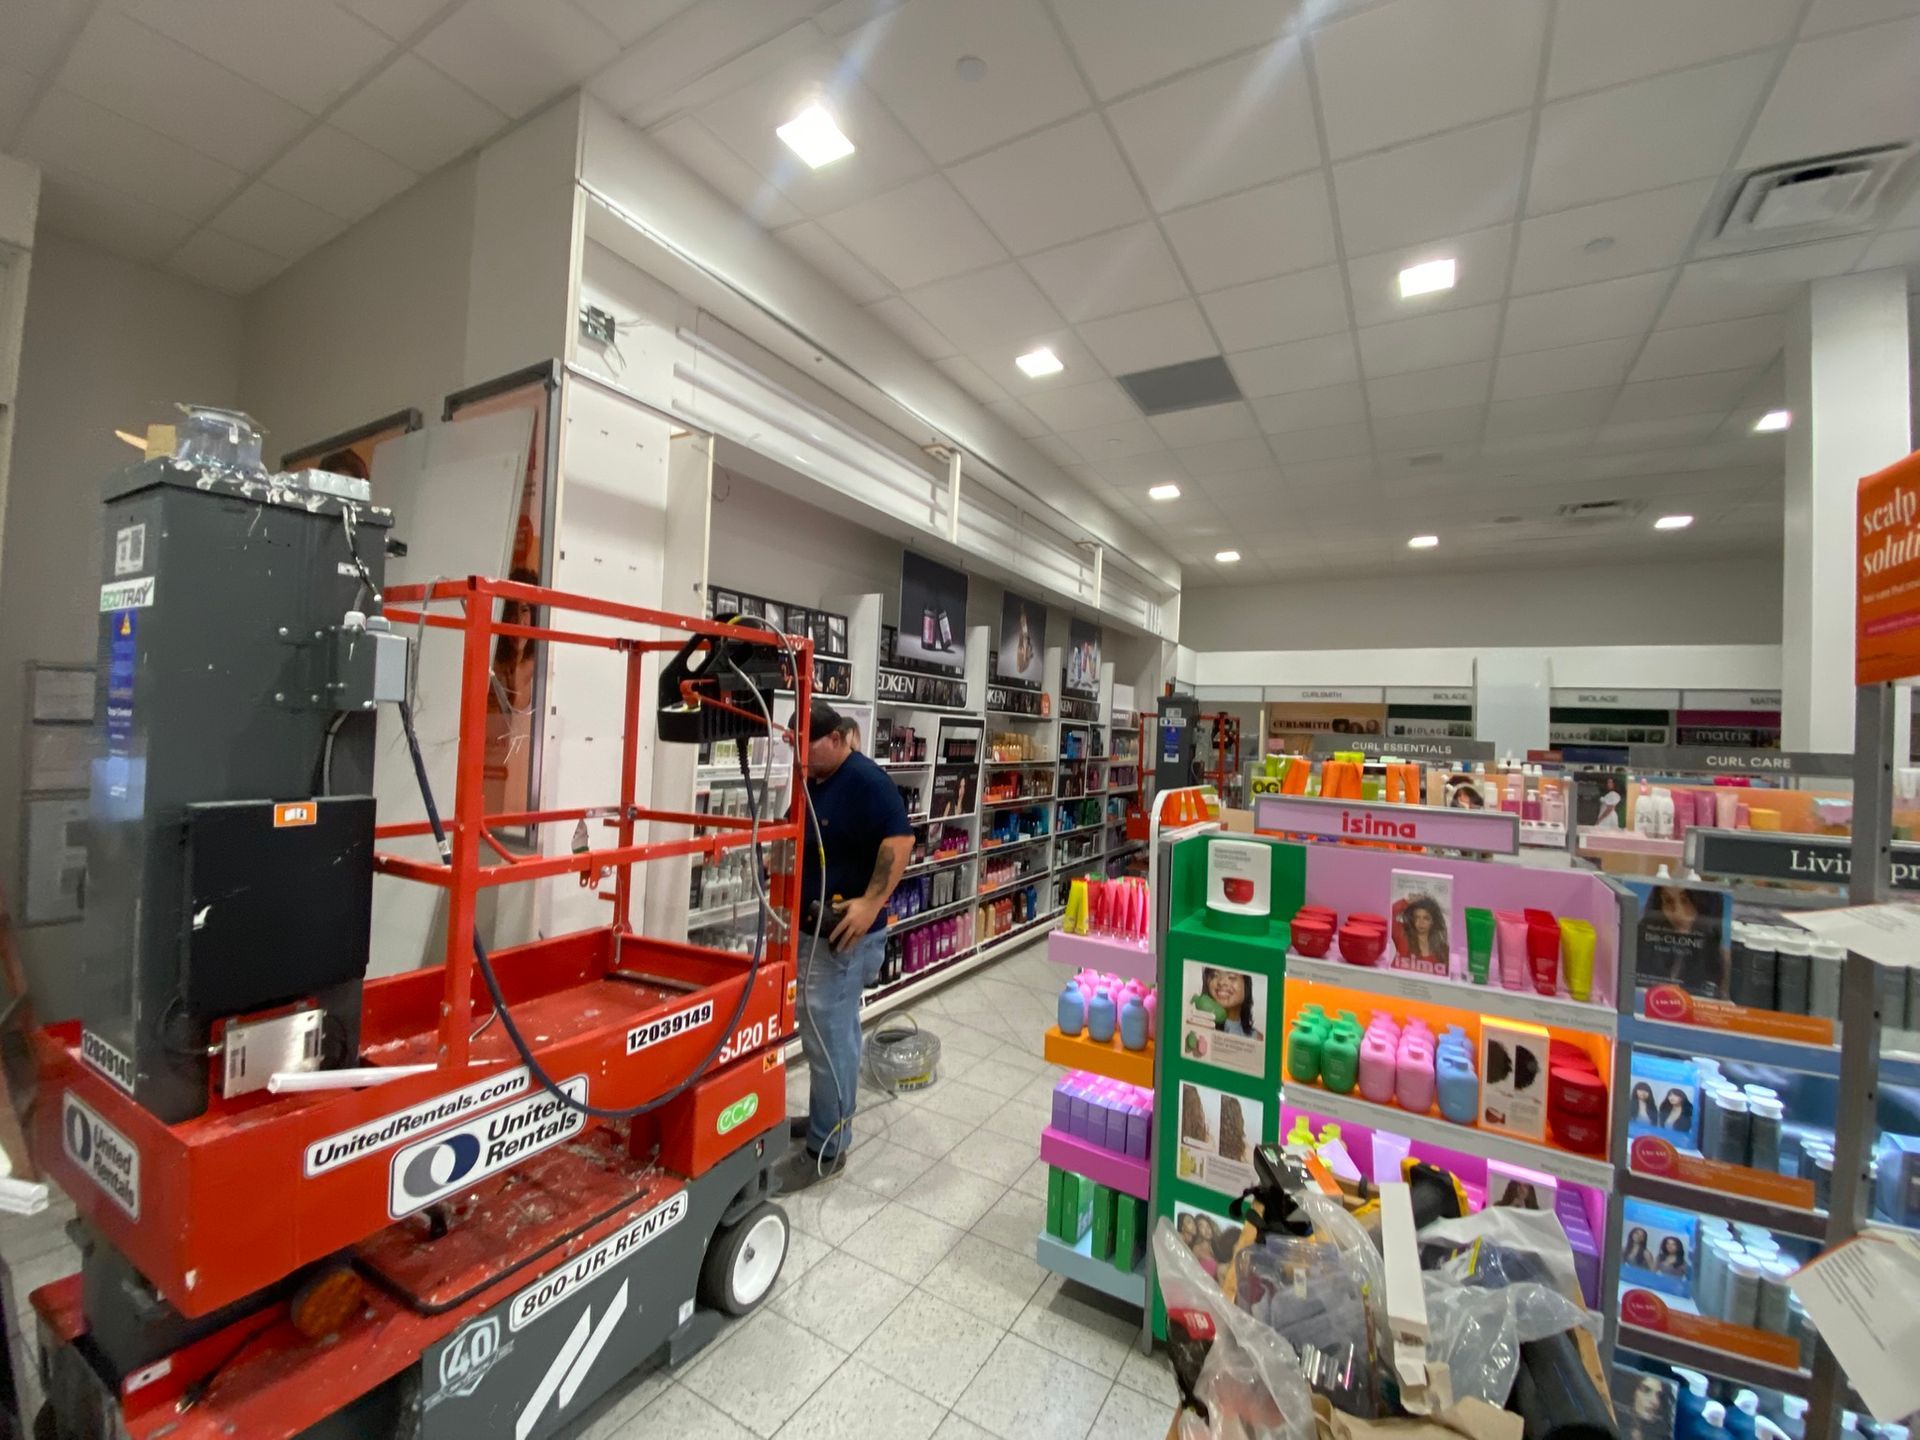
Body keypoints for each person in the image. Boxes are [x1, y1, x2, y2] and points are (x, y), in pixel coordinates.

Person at [774, 703, 913, 1193]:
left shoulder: (866, 780)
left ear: (836, 738)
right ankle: (824, 1118)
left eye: (806, 747)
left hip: (844, 938)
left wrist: (871, 903)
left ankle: (826, 1149)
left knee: (826, 1038)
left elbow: (898, 841)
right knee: (835, 1033)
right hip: (815, 931)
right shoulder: (814, 782)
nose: (801, 758)